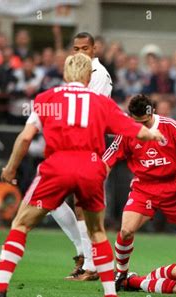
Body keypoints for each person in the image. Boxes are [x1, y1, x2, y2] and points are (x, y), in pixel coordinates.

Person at [0, 53, 163, 297]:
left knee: (21, 224)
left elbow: (26, 138)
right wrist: (153, 135)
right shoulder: (100, 102)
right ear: (87, 77)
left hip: (57, 166)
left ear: (65, 75)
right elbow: (133, 129)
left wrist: (10, 168)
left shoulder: (47, 98)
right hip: (91, 167)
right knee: (97, 231)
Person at [101, 94, 176, 291]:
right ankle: (121, 272)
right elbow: (108, 158)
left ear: (152, 112)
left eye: (145, 122)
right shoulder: (127, 131)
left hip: (172, 187)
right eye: (137, 123)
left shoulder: (169, 125)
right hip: (143, 188)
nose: (142, 128)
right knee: (126, 230)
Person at [50, 32, 114, 281]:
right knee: (50, 200)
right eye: (75, 48)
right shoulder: (75, 73)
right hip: (69, 145)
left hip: (89, 147)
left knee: (82, 204)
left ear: (94, 49)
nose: (79, 52)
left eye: (84, 48)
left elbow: (89, 112)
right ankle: (83, 254)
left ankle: (91, 265)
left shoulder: (100, 76)